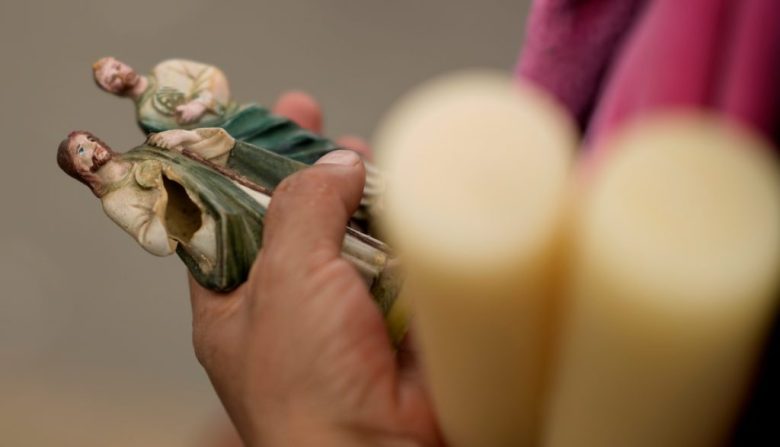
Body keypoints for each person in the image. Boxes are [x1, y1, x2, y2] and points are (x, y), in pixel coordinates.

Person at [93, 57, 341, 164]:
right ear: (110, 90)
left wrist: (200, 103)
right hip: (227, 147)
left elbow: (210, 75)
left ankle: (355, 171)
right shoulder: (146, 117)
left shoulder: (167, 69)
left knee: (299, 142)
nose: (119, 73)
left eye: (116, 65)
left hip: (244, 119)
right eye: (110, 77)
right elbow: (181, 150)